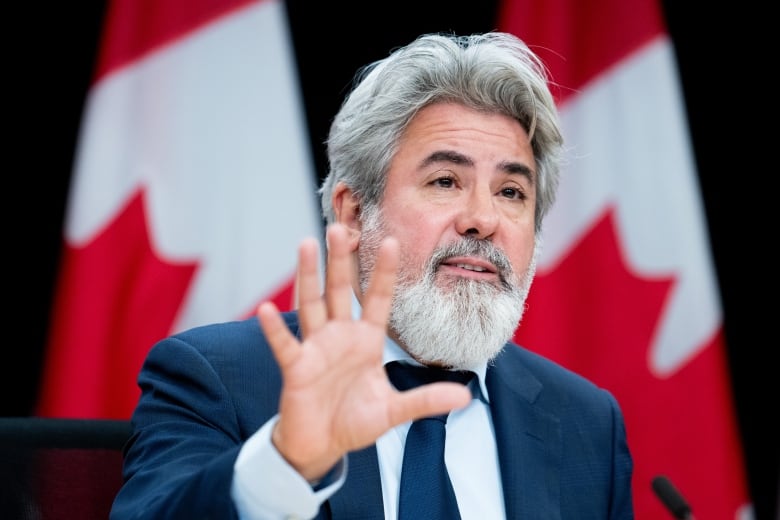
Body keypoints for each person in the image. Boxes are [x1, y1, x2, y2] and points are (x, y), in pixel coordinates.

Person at [109, 31, 634, 519]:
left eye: (511, 192)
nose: (484, 219)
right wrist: (286, 463)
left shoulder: (587, 423)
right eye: (446, 180)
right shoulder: (217, 378)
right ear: (354, 212)